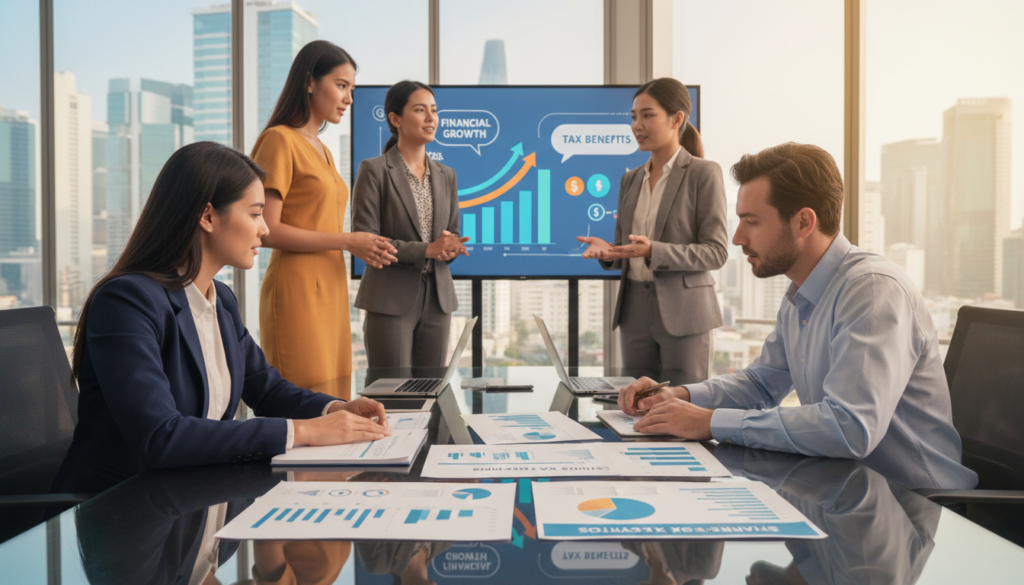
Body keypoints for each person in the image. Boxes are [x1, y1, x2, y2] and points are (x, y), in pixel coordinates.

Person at [618, 142, 978, 490]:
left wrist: (711, 422)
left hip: (915, 503)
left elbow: (850, 427)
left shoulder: (871, 290)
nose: (737, 238)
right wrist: (680, 396)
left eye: (751, 221)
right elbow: (762, 384)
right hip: (848, 490)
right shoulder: (800, 293)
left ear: (803, 222)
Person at [53, 142, 390, 494]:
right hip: (122, 506)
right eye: (255, 214)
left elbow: (268, 389)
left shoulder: (221, 300)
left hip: (194, 496)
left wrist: (336, 408)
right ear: (208, 216)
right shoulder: (127, 301)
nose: (265, 229)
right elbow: (159, 436)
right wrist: (304, 431)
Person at [252, 40, 397, 397]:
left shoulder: (324, 150)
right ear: (309, 82)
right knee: (303, 394)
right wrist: (348, 240)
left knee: (334, 393)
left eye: (352, 89)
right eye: (341, 85)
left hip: (331, 284)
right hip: (298, 285)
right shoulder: (278, 140)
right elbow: (267, 230)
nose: (349, 99)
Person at [577, 78, 728, 382]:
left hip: (684, 312)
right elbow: (627, 248)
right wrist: (610, 252)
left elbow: (716, 252)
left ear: (676, 119)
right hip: (633, 308)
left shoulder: (703, 173)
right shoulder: (630, 179)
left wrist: (653, 251)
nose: (637, 125)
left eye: (647, 115)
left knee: (683, 401)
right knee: (635, 403)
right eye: (634, 117)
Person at [352, 81, 468, 367]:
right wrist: (428, 249)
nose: (431, 118)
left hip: (438, 300)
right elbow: (368, 242)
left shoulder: (447, 174)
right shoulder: (374, 170)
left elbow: (452, 231)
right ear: (395, 119)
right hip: (389, 298)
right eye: (420, 110)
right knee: (391, 388)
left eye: (434, 110)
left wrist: (451, 247)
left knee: (432, 387)